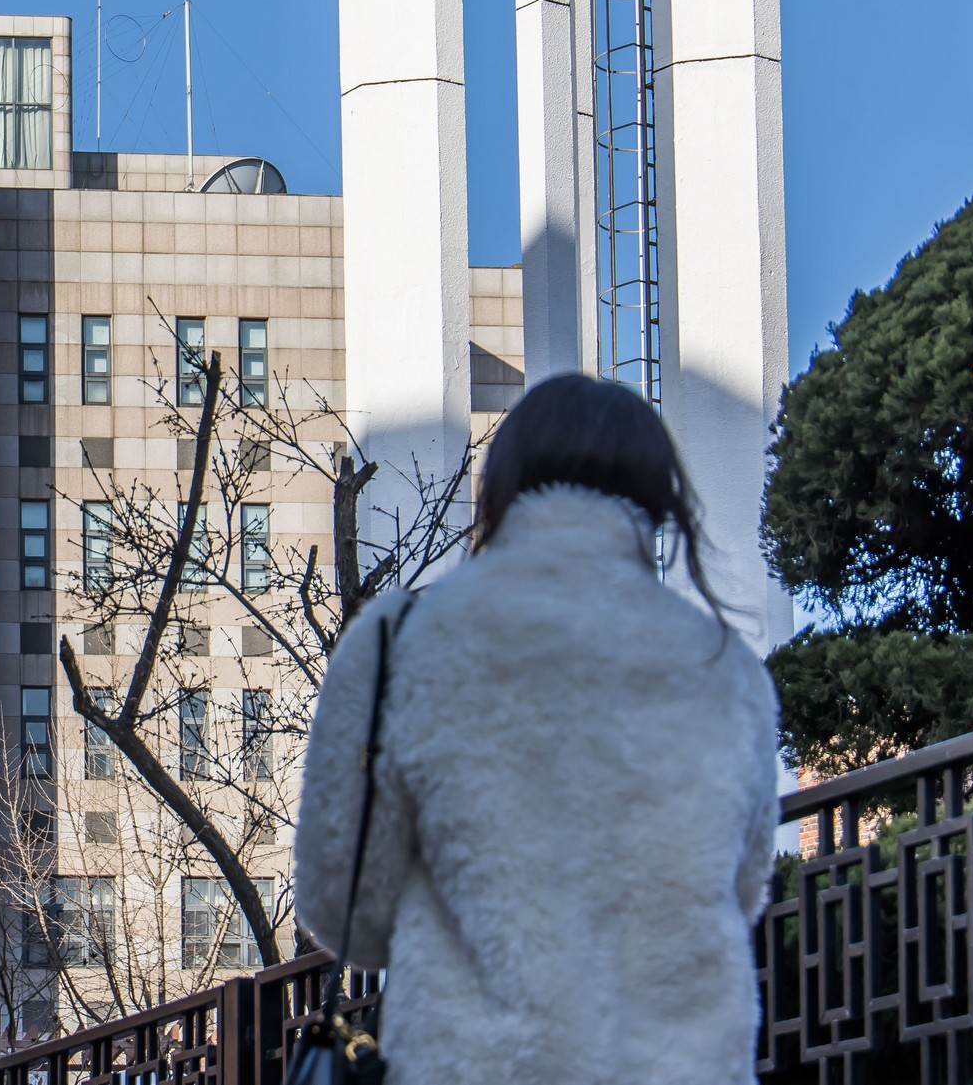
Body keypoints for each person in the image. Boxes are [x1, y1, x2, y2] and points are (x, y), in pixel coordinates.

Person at [293, 373, 779, 1084]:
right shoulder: (731, 672)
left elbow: (346, 909)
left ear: (500, 488)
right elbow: (740, 892)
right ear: (660, 497)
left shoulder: (402, 641)